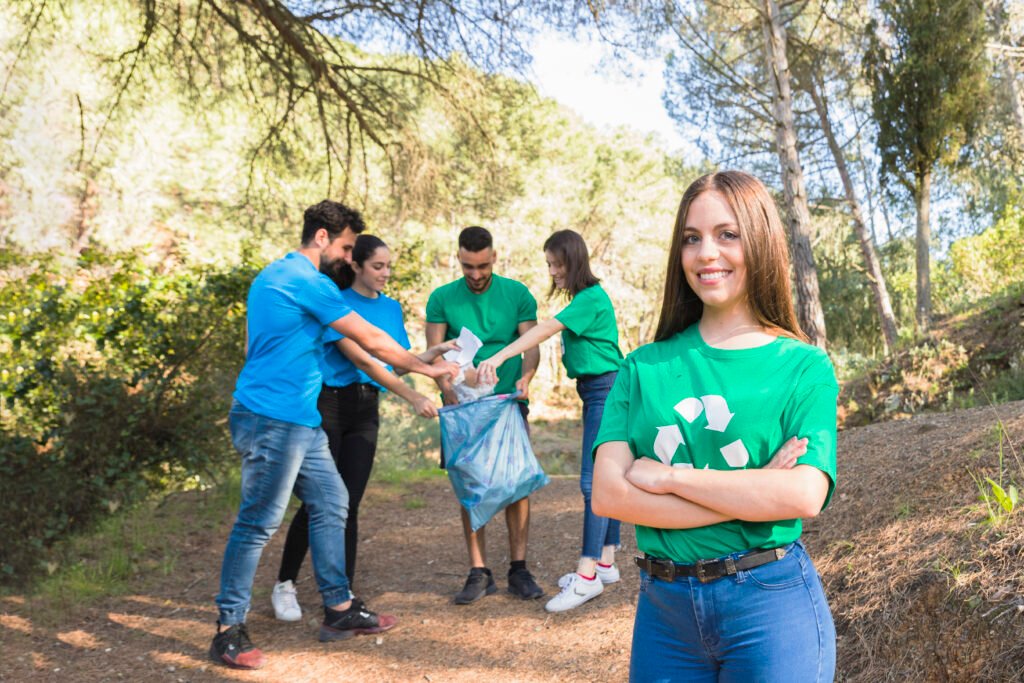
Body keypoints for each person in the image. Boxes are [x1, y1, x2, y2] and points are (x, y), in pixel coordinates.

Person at [591, 170, 838, 682]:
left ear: (761, 241)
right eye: (691, 238)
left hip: (770, 605)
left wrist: (669, 478)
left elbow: (803, 495)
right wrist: (753, 492)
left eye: (728, 234)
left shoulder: (804, 367)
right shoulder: (642, 367)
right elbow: (608, 497)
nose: (706, 253)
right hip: (664, 613)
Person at [211, 201, 458, 670]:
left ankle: (339, 609)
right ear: (322, 238)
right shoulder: (310, 283)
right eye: (346, 247)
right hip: (272, 417)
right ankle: (228, 629)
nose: (349, 257)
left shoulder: (269, 276)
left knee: (332, 502)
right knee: (258, 522)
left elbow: (253, 347)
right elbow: (374, 343)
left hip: (297, 418)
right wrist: (430, 368)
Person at [271, 234, 456, 622]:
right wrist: (414, 396)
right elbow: (367, 358)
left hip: (365, 409)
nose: (385, 273)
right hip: (330, 404)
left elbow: (397, 362)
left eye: (389, 266)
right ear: (355, 265)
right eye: (377, 266)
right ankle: (285, 582)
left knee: (350, 502)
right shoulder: (335, 302)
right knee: (320, 499)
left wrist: (432, 355)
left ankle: (343, 594)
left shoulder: (389, 308)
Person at [475, 229, 624, 613]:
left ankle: (587, 575)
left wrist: (499, 357)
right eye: (549, 265)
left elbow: (544, 329)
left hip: (606, 390)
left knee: (593, 484)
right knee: (602, 479)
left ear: (574, 262)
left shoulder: (589, 299)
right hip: (598, 391)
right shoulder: (586, 298)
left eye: (557, 264)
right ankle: (605, 562)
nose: (553, 272)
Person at [425, 225, 545, 604]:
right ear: (458, 260)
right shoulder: (442, 298)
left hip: (507, 403)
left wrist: (526, 379)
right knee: (469, 484)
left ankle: (519, 568)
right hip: (462, 406)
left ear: (494, 257)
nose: (475, 275)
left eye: (481, 266)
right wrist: (449, 393)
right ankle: (479, 572)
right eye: (467, 267)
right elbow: (434, 353)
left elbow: (531, 345)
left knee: (518, 480)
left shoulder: (517, 294)